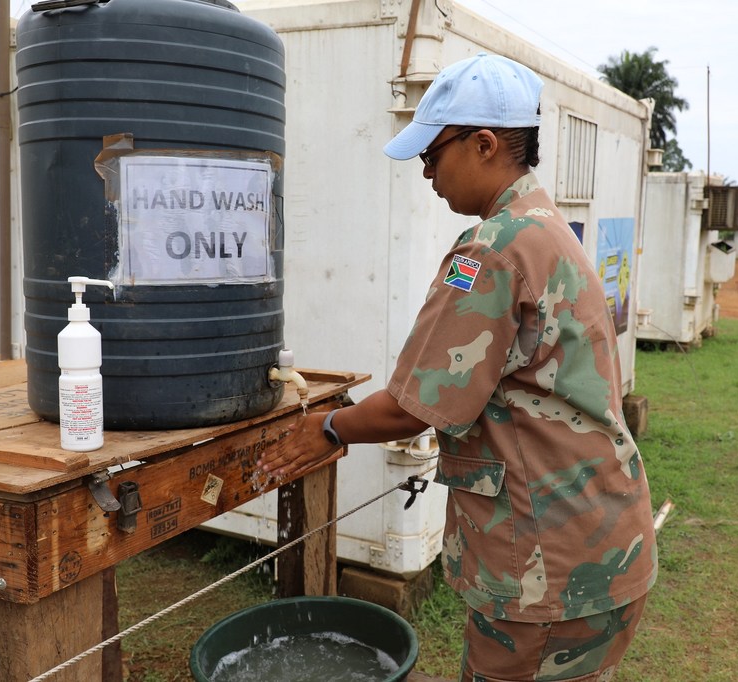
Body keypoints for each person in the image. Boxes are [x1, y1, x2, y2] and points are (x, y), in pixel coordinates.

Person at [258, 52, 657, 682]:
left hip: (545, 569)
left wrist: (328, 430)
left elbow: (415, 403)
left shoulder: (493, 248)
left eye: (431, 156)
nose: (426, 175)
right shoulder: (549, 230)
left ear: (484, 144)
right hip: (600, 546)